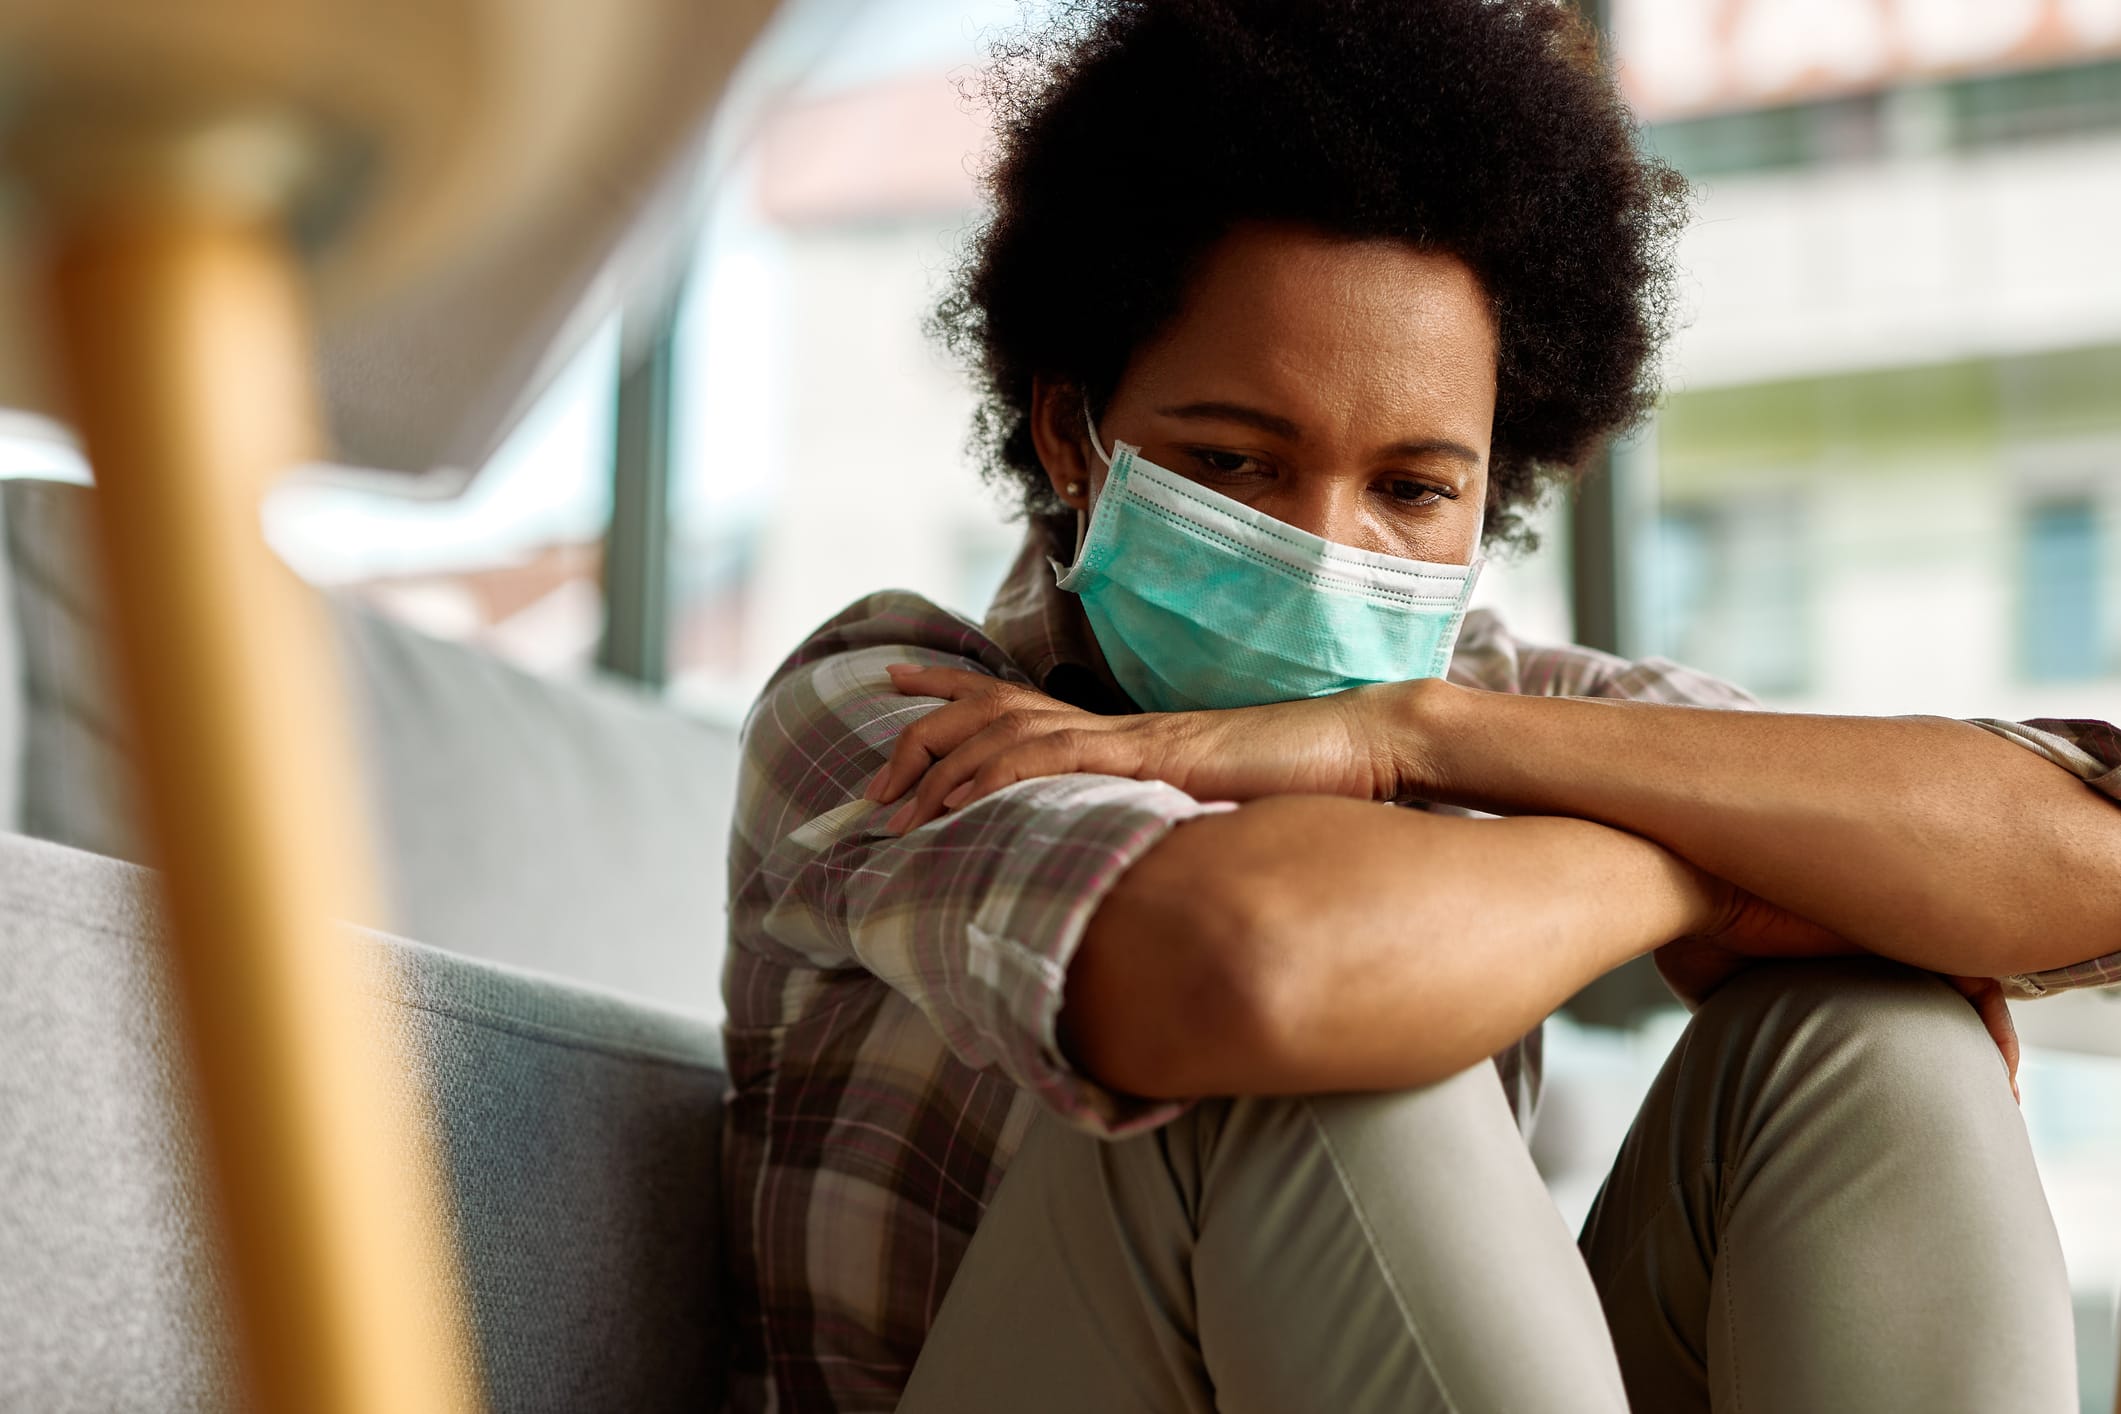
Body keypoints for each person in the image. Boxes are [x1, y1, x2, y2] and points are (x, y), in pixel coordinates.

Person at [720, 3, 2121, 1410]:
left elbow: (2087, 860)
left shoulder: (1495, 708)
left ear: (1486, 490)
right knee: (1315, 1047)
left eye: (1408, 488)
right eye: (1235, 461)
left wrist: (1425, 737)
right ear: (1067, 435)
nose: (1328, 545)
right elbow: (1255, 966)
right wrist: (1681, 869)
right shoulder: (898, 704)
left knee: (1867, 1027)